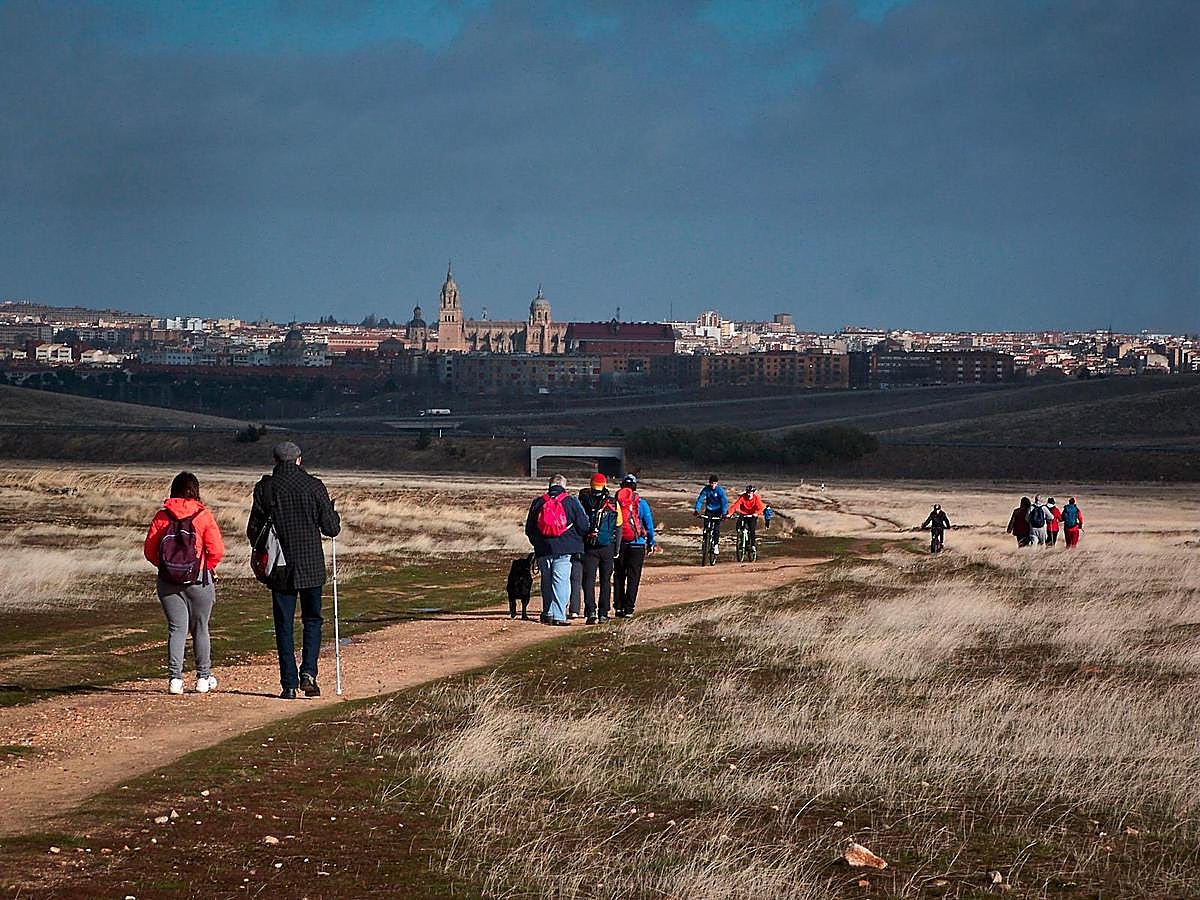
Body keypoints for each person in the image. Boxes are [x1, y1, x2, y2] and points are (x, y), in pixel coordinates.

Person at [247, 441, 341, 700]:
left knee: (284, 626)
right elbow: (331, 528)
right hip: (311, 566)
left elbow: (253, 530)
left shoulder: (265, 488)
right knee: (312, 620)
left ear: (275, 461)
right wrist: (333, 514)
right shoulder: (314, 486)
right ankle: (308, 673)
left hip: (280, 566)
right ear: (299, 460)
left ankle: (288, 685)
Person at [144, 471, 225, 695]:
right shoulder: (203, 515)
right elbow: (217, 550)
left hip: (168, 581)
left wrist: (167, 567)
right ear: (195, 491)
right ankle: (203, 677)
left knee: (176, 629)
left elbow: (149, 550)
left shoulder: (162, 516)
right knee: (201, 628)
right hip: (199, 579)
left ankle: (175, 679)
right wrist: (205, 566)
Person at [524, 474, 590, 626]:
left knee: (546, 580)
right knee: (561, 581)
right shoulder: (571, 501)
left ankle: (547, 612)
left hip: (543, 548)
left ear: (550, 485)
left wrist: (537, 543)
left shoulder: (538, 502)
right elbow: (583, 525)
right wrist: (576, 539)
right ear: (564, 486)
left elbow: (530, 529)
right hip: (565, 548)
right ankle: (559, 616)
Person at [578, 473, 622, 624]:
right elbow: (619, 526)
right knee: (605, 580)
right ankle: (603, 613)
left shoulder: (583, 501)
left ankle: (590, 611)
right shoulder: (613, 502)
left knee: (588, 580)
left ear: (591, 484)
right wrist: (617, 548)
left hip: (589, 546)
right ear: (604, 484)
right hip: (607, 546)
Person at [614, 474, 658, 618]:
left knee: (619, 575)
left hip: (619, 544)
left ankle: (618, 607)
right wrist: (651, 542)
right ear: (635, 487)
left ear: (621, 486)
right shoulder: (641, 503)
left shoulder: (616, 502)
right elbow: (649, 525)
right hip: (637, 544)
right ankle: (629, 609)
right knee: (633, 577)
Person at [693, 475, 730, 555]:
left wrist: (724, 513)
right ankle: (705, 542)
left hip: (718, 510)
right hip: (709, 509)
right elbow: (700, 499)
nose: (713, 485)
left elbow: (724, 502)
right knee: (706, 527)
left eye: (715, 483)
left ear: (717, 483)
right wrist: (697, 510)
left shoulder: (720, 490)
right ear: (709, 483)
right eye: (712, 483)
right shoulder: (706, 489)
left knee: (716, 529)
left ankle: (716, 545)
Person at [727, 484, 766, 558]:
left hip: (752, 515)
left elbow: (760, 508)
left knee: (752, 529)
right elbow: (735, 506)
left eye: (750, 493)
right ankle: (741, 539)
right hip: (743, 514)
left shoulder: (756, 498)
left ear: (753, 493)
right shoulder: (742, 497)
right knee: (739, 526)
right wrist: (729, 514)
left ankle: (752, 545)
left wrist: (756, 513)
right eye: (748, 492)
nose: (749, 494)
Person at [506, 551, 535, 620]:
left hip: (515, 579)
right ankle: (523, 613)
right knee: (525, 595)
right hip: (523, 579)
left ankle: (513, 611)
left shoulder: (514, 569)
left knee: (512, 594)